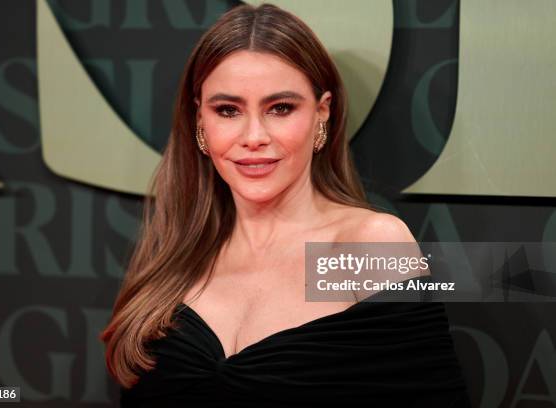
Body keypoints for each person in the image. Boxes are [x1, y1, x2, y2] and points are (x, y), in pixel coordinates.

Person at [100, 3, 470, 407]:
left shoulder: (365, 245)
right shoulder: (177, 254)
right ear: (199, 120)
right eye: (228, 110)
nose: (254, 135)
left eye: (280, 108)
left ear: (321, 113)